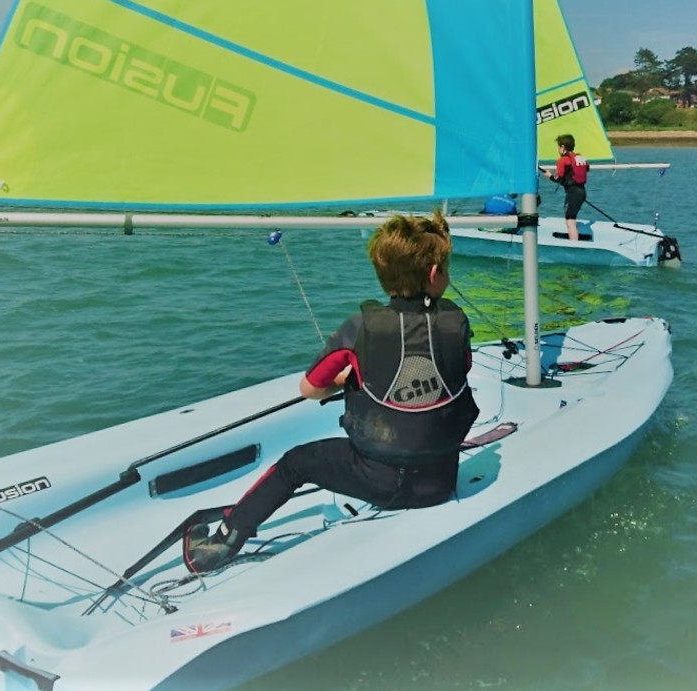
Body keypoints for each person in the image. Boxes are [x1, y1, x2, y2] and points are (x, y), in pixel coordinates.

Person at [184, 210, 479, 573]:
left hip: (379, 482)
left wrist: (345, 381)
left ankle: (221, 543)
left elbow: (309, 388)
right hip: (440, 480)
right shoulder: (457, 322)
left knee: (295, 464)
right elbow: (456, 372)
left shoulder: (359, 328)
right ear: (435, 275)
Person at [544, 133, 589, 240]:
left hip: (573, 194)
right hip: (582, 192)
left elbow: (558, 179)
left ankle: (574, 246)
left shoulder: (562, 160)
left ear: (562, 147)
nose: (558, 150)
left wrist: (549, 176)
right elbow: (584, 170)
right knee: (571, 218)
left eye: (558, 147)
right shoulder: (580, 157)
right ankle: (574, 238)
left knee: (570, 221)